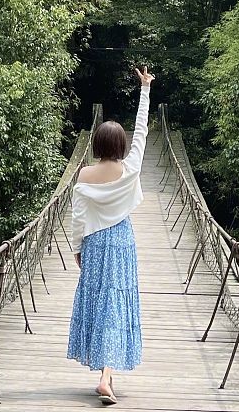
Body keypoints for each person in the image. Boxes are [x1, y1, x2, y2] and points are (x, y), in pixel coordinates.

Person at [67, 66, 155, 405]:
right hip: (121, 241)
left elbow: (78, 217)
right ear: (120, 145)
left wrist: (77, 248)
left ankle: (105, 375)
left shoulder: (84, 174)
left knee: (100, 300)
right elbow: (142, 133)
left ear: (97, 143)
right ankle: (107, 376)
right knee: (116, 301)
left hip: (95, 243)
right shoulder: (130, 168)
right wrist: (144, 90)